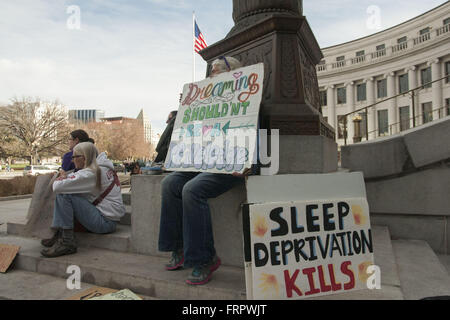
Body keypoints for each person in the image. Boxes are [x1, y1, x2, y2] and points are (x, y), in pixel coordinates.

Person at [158, 56, 248, 285]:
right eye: (210, 73)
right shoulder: (205, 100)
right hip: (202, 161)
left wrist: (246, 161)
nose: (211, 77)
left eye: (217, 72)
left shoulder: (247, 96)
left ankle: (204, 259)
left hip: (230, 164)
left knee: (192, 190)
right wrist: (187, 108)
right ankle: (179, 247)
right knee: (169, 184)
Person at [40, 142, 126, 258]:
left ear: (84, 158)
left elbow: (58, 187)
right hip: (108, 219)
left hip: (104, 222)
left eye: (74, 157)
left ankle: (67, 241)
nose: (72, 160)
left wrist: (62, 177)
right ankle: (60, 233)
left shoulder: (92, 173)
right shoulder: (102, 168)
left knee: (64, 195)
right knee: (69, 193)